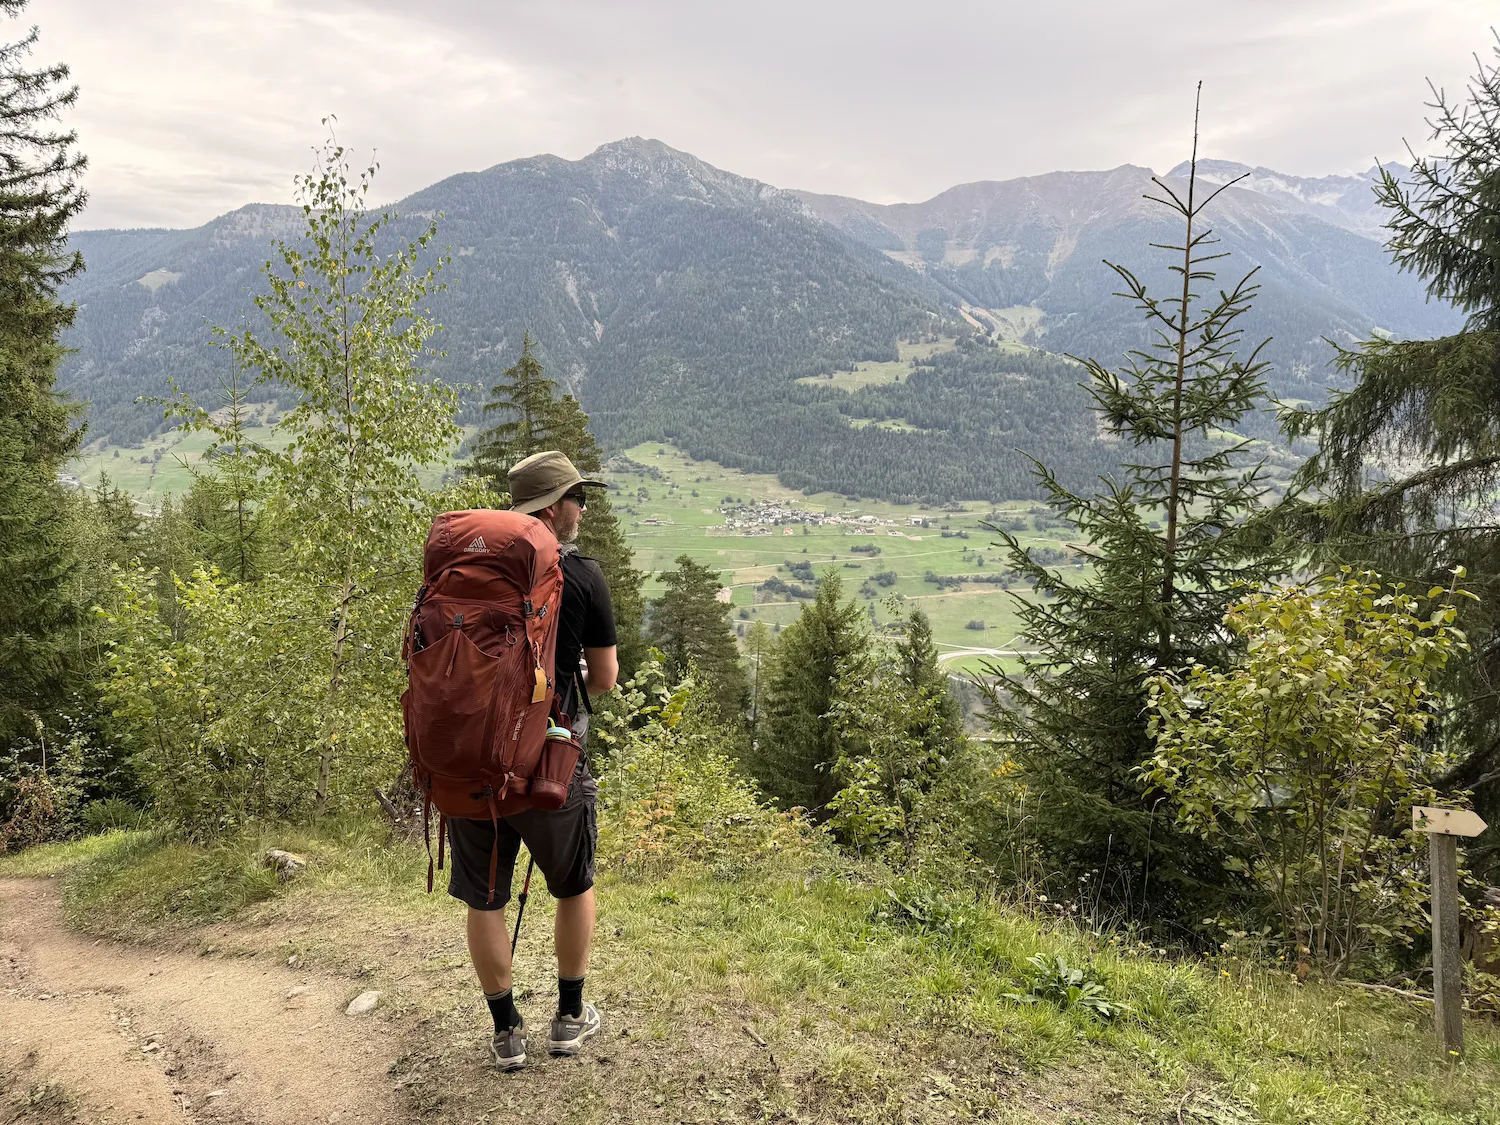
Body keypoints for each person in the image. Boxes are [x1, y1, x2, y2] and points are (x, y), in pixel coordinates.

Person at [445, 449, 617, 1072]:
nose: (583, 509)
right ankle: (569, 1018)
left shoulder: (466, 569)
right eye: (578, 497)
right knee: (574, 885)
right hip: (549, 764)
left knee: (485, 898)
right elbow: (605, 678)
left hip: (470, 761)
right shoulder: (582, 576)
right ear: (554, 507)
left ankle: (505, 1031)